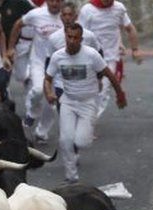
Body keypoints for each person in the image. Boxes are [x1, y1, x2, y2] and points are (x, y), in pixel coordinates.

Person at [44, 23, 126, 182]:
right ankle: (71, 177)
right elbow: (47, 79)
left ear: (81, 39)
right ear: (65, 36)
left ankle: (76, 151)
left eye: (76, 38)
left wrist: (120, 94)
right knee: (65, 140)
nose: (72, 40)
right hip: (67, 100)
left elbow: (109, 74)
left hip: (88, 102)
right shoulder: (57, 56)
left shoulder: (91, 54)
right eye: (69, 37)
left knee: (81, 141)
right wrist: (49, 93)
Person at [8, 0, 63, 142]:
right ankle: (32, 113)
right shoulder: (36, 14)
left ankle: (41, 132)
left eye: (58, 1)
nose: (55, 4)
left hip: (58, 65)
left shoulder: (67, 16)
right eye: (52, 0)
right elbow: (18, 24)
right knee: (38, 91)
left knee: (52, 101)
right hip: (38, 61)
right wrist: (11, 47)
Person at [78, 0, 142, 118]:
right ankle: (81, 116)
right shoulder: (87, 9)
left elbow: (129, 28)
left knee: (103, 90)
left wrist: (135, 49)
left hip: (110, 58)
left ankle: (89, 122)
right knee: (86, 90)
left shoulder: (119, 8)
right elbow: (79, 33)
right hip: (90, 57)